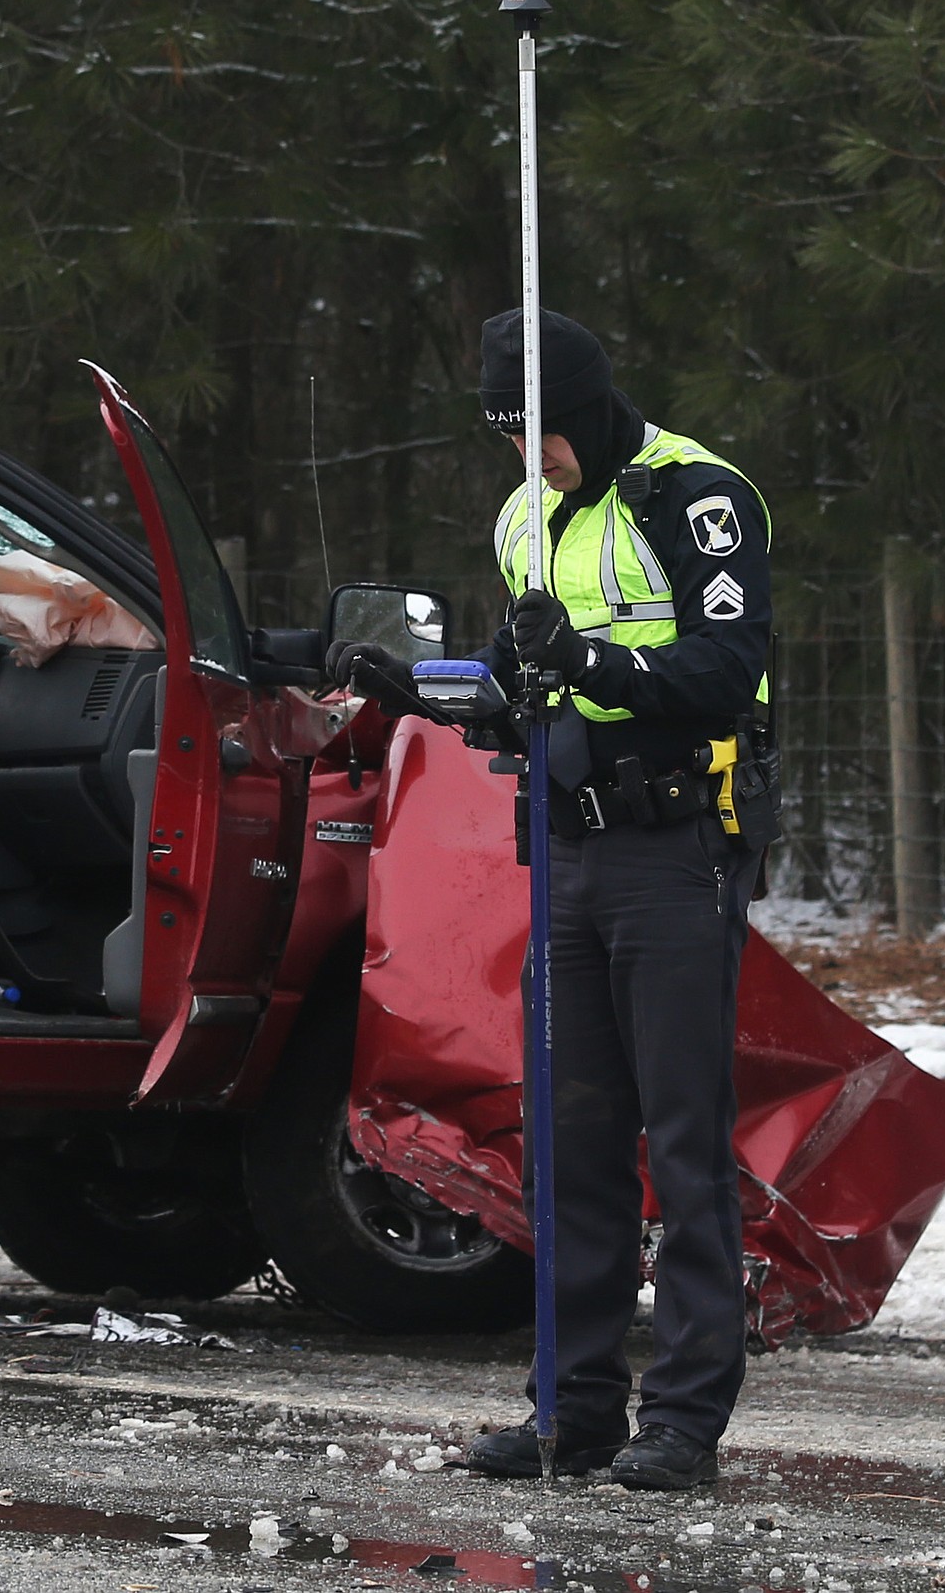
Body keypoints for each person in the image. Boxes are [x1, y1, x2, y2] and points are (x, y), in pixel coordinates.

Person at [328, 309, 772, 1491]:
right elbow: (526, 697)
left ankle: (683, 1418)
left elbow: (726, 672)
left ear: (587, 405)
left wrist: (593, 664)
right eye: (510, 439)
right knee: (569, 1147)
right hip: (569, 856)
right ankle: (573, 1408)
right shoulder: (526, 517)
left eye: (546, 434)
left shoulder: (698, 497)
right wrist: (429, 695)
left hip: (677, 848)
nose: (532, 460)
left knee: (682, 1144)